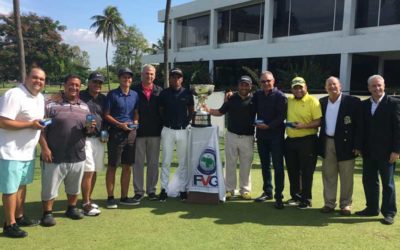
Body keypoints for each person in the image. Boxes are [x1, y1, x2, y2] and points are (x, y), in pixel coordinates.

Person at [39, 74, 95, 227]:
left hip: (77, 154)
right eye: (71, 84)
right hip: (54, 154)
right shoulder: (51, 103)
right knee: (49, 187)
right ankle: (47, 213)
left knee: (74, 186)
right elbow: (41, 129)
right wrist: (44, 148)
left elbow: (88, 131)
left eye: (77, 85)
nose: (74, 87)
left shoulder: (84, 106)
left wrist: (90, 128)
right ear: (64, 85)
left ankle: (71, 208)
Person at [0, 68, 46, 238]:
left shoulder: (40, 98)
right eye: (35, 77)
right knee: (10, 189)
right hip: (10, 151)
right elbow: (3, 122)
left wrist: (37, 125)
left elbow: (36, 122)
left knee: (21, 185)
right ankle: (9, 224)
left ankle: (19, 217)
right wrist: (30, 124)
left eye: (41, 79)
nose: (38, 81)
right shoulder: (14, 94)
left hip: (27, 152)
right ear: (26, 78)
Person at [356, 75, 399, 225]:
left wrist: (396, 150)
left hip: (387, 152)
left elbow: (398, 129)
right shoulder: (364, 105)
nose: (377, 88)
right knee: (369, 180)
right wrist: (358, 146)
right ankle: (371, 208)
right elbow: (361, 128)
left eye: (379, 85)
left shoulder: (394, 104)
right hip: (368, 151)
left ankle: (389, 212)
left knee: (387, 184)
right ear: (369, 88)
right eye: (373, 86)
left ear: (384, 85)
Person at [205, 75, 256, 200]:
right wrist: (207, 109)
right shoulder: (231, 98)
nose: (244, 87)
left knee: (246, 164)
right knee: (230, 164)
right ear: (238, 85)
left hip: (248, 137)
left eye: (246, 85)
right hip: (232, 135)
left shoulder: (255, 99)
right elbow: (220, 112)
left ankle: (245, 190)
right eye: (242, 84)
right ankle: (229, 189)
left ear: (251, 86)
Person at [319, 76, 362, 215]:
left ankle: (346, 205)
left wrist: (357, 144)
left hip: (347, 144)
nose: (332, 87)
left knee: (346, 176)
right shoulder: (322, 101)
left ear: (340, 86)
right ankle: (329, 203)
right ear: (325, 88)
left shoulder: (352, 101)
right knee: (328, 174)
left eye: (334, 84)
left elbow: (358, 126)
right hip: (328, 142)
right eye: (329, 85)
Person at [104, 68, 139, 208]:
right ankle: (110, 198)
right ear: (119, 79)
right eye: (124, 77)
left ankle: (124, 197)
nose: (127, 80)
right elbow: (106, 115)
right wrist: (119, 124)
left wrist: (135, 122)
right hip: (116, 134)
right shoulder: (112, 95)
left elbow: (136, 112)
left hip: (131, 134)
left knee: (127, 166)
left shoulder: (135, 95)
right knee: (113, 166)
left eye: (129, 77)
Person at [285, 77, 321, 209]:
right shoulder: (289, 100)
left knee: (306, 172)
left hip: (308, 141)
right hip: (290, 141)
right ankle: (295, 197)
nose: (298, 90)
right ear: (292, 89)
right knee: (292, 170)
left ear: (306, 87)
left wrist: (304, 126)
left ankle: (306, 199)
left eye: (300, 87)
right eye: (295, 87)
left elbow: (319, 121)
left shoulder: (313, 101)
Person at [158, 68, 194, 202]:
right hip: (168, 130)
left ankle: (183, 190)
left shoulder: (187, 92)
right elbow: (160, 110)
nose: (176, 79)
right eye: (173, 76)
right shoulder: (164, 93)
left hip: (183, 131)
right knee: (166, 161)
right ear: (170, 79)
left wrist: (186, 122)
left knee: (183, 162)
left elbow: (191, 110)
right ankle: (163, 189)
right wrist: (166, 122)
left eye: (178, 77)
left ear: (182, 79)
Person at [252, 71, 287, 209]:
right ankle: (268, 192)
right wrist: (231, 96)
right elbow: (250, 107)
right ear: (260, 83)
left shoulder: (280, 96)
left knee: (278, 167)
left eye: (268, 81)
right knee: (265, 165)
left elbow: (281, 116)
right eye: (263, 81)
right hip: (261, 136)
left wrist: (269, 126)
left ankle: (279, 196)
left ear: (273, 81)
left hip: (276, 136)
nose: (266, 83)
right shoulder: (258, 95)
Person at [131, 65, 163, 203]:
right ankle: (138, 192)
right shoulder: (134, 90)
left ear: (154, 76)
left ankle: (151, 190)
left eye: (151, 74)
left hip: (155, 132)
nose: (148, 76)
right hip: (138, 133)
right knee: (137, 163)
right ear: (141, 74)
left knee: (153, 163)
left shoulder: (159, 91)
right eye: (146, 73)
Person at [79, 72, 107, 216]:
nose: (97, 85)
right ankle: (85, 204)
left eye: (100, 83)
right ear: (89, 82)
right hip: (86, 139)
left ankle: (88, 198)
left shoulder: (103, 98)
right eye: (95, 82)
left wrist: (105, 134)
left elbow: (105, 118)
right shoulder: (80, 96)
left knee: (95, 169)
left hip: (100, 139)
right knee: (88, 170)